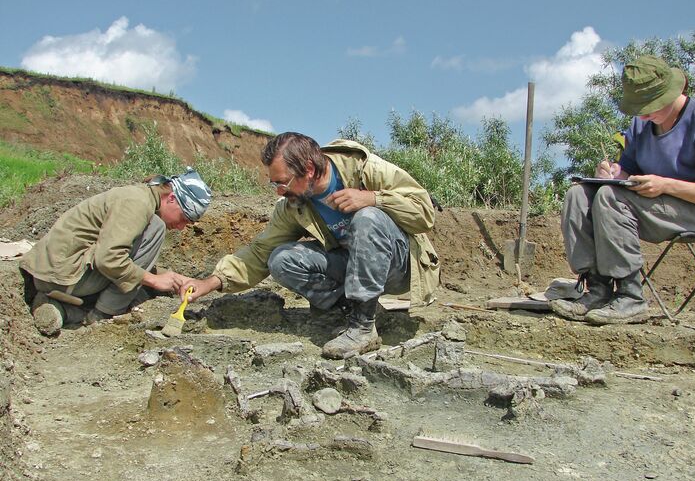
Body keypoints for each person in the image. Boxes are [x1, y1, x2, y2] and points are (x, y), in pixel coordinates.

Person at [182, 132, 440, 358]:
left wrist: (373, 198)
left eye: (283, 183)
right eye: (275, 184)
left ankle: (362, 329)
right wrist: (211, 282)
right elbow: (260, 252)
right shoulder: (294, 205)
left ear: (308, 169)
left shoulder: (364, 168)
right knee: (281, 259)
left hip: (400, 265)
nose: (279, 192)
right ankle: (360, 312)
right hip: (352, 266)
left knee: (367, 218)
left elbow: (424, 211)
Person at [551, 55, 695, 325]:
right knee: (578, 194)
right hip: (648, 206)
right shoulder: (642, 125)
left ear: (671, 93)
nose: (644, 115)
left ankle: (630, 296)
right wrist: (610, 173)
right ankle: (598, 290)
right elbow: (626, 173)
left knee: (610, 198)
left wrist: (665, 185)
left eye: (650, 107)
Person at [20, 168, 212, 336]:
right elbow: (108, 258)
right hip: (65, 276)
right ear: (171, 198)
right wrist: (153, 280)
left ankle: (62, 309)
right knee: (155, 231)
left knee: (138, 286)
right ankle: (101, 315)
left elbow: (120, 255)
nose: (181, 227)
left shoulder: (139, 197)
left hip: (53, 273)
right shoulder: (137, 204)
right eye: (184, 218)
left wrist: (170, 278)